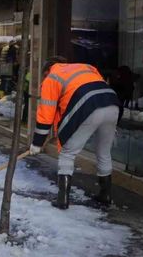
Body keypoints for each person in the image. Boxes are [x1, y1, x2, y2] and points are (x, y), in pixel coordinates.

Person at [29, 56, 119, 209]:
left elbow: (46, 114)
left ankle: (62, 199)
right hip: (112, 103)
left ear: (47, 70)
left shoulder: (52, 77)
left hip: (89, 106)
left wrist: (37, 143)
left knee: (67, 152)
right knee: (103, 152)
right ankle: (106, 195)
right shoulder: (85, 66)